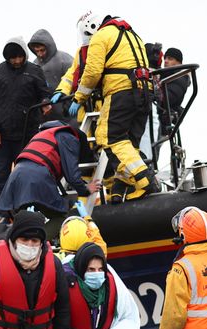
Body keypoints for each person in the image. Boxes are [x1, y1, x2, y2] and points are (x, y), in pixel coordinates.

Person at [68, 12, 161, 203]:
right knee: (129, 144)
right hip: (144, 92)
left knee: (109, 137)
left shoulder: (101, 36)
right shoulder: (134, 36)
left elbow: (92, 73)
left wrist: (78, 98)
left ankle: (145, 179)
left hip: (121, 92)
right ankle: (123, 186)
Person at [0, 120, 101, 237]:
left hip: (15, 178)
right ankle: (39, 241)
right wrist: (85, 189)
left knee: (24, 222)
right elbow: (72, 177)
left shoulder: (40, 135)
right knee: (64, 216)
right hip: (37, 178)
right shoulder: (68, 136)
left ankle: (19, 245)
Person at [0, 37, 52, 219]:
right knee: (1, 177)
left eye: (19, 57)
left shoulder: (34, 71)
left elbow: (45, 93)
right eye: (12, 58)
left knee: (27, 175)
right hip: (3, 137)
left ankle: (27, 213)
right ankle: (1, 214)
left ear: (25, 55)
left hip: (27, 135)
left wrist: (46, 103)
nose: (16, 61)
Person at [51, 10, 96, 125]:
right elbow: (72, 74)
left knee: (106, 139)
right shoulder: (81, 52)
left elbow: (93, 74)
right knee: (87, 141)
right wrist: (62, 90)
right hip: (86, 105)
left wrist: (78, 99)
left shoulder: (103, 47)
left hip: (102, 104)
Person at [28, 29, 73, 123]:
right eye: (37, 51)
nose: (40, 54)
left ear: (49, 47)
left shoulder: (65, 60)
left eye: (42, 50)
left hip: (69, 115)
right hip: (47, 117)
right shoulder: (34, 65)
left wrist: (67, 107)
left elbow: (75, 82)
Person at [157, 47, 190, 137]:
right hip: (159, 121)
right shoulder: (165, 77)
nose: (166, 61)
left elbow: (167, 98)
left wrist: (153, 90)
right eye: (165, 58)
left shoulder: (180, 78)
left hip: (160, 124)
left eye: (170, 59)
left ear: (179, 63)